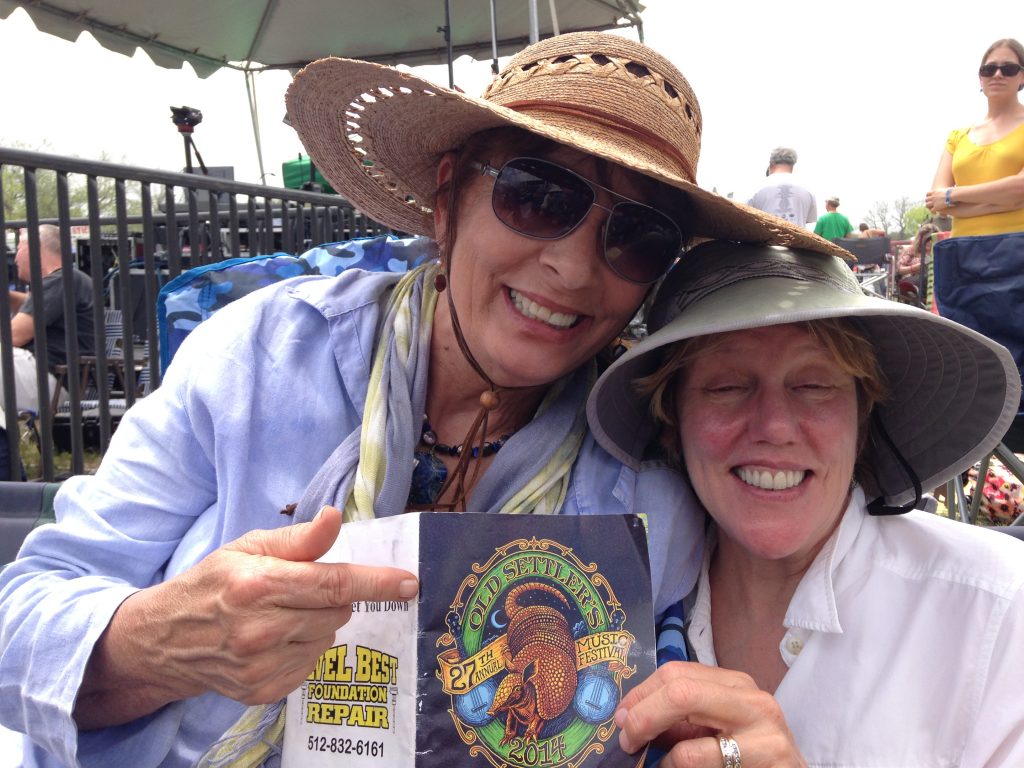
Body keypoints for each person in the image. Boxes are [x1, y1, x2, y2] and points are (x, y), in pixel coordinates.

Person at [0, 33, 844, 768]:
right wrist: (160, 642)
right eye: (540, 196)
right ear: (448, 199)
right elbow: (22, 617)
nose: (574, 267)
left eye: (638, 236)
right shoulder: (261, 358)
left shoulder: (645, 475)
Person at [587, 241, 1024, 766]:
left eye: (814, 385)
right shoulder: (615, 605)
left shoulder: (998, 611)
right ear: (672, 423)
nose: (775, 427)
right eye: (727, 386)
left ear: (863, 418)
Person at [925, 38, 1024, 236]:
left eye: (1008, 69)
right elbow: (935, 202)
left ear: (1022, 76)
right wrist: (1006, 202)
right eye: (989, 69)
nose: (997, 74)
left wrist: (951, 195)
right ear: (980, 78)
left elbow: (1019, 188)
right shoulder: (957, 137)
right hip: (964, 248)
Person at [2, 224, 95, 418]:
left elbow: (13, 336)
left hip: (49, 380)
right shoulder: (70, 281)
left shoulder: (61, 280)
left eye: (19, 248)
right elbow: (30, 303)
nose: (15, 257)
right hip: (55, 379)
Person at [747, 147, 817, 227]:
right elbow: (807, 219)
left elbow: (746, 216)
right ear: (793, 163)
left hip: (764, 234)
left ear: (771, 163)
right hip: (795, 235)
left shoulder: (756, 187)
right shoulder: (807, 190)